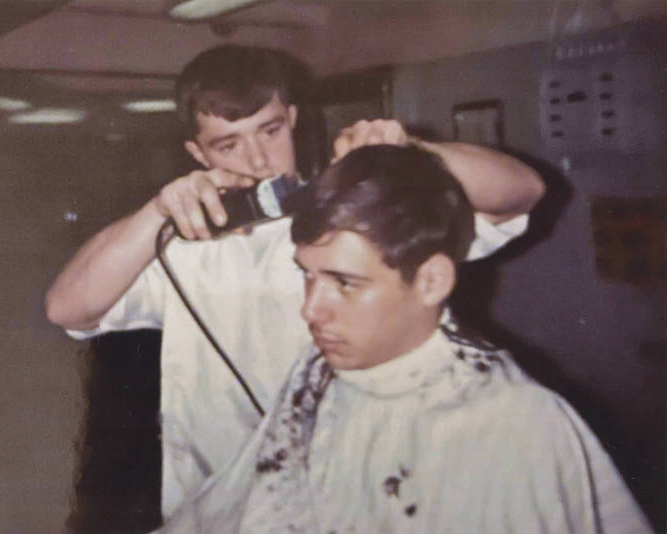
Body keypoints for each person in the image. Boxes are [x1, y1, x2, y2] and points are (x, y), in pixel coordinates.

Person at [45, 44, 545, 519]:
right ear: (197, 153)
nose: (259, 160)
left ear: (294, 121)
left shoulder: (367, 211)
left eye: (270, 131)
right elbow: (68, 309)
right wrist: (156, 212)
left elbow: (523, 192)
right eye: (228, 144)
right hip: (224, 509)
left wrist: (410, 152)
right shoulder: (183, 249)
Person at [154, 144, 651, 534]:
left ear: (432, 281)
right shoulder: (319, 373)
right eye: (307, 276)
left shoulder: (514, 424)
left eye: (344, 282)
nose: (309, 308)